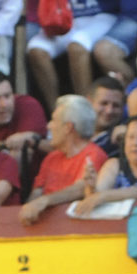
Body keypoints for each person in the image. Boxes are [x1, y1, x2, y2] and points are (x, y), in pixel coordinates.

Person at [20, 95, 109, 224]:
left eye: (54, 120)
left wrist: (45, 200)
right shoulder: (51, 158)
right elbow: (35, 194)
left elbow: (80, 189)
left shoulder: (94, 154)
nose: (49, 126)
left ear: (68, 127)